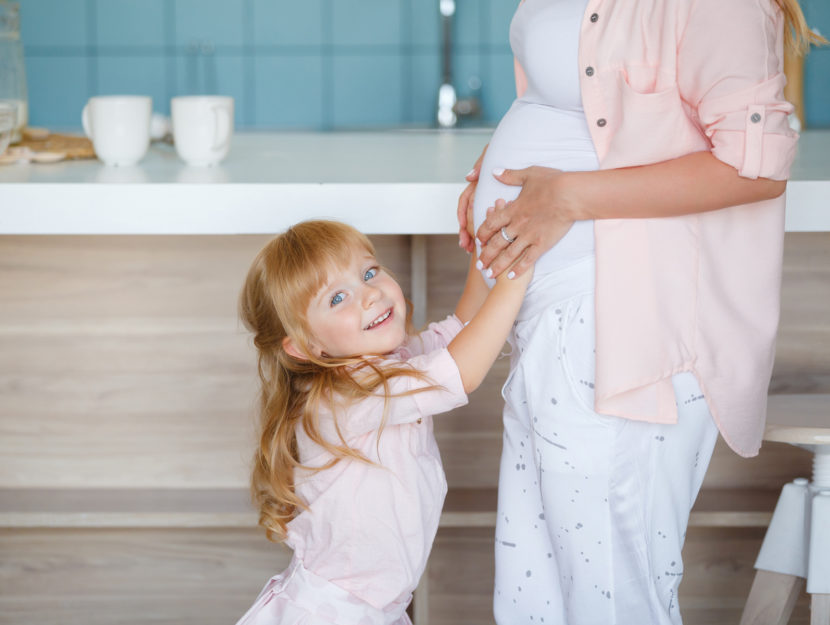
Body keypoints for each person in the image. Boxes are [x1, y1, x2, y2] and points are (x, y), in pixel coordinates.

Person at [454, 0, 824, 623]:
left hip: (624, 324)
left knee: (613, 600)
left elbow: (756, 164)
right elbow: (576, 99)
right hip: (550, 317)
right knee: (536, 597)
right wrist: (498, 172)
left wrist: (564, 196)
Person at [234, 219, 531, 625]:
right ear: (306, 346)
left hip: (373, 610)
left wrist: (486, 254)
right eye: (338, 298)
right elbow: (462, 371)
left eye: (369, 272)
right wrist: (517, 278)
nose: (370, 294)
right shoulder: (346, 394)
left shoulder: (391, 363)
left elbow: (458, 334)